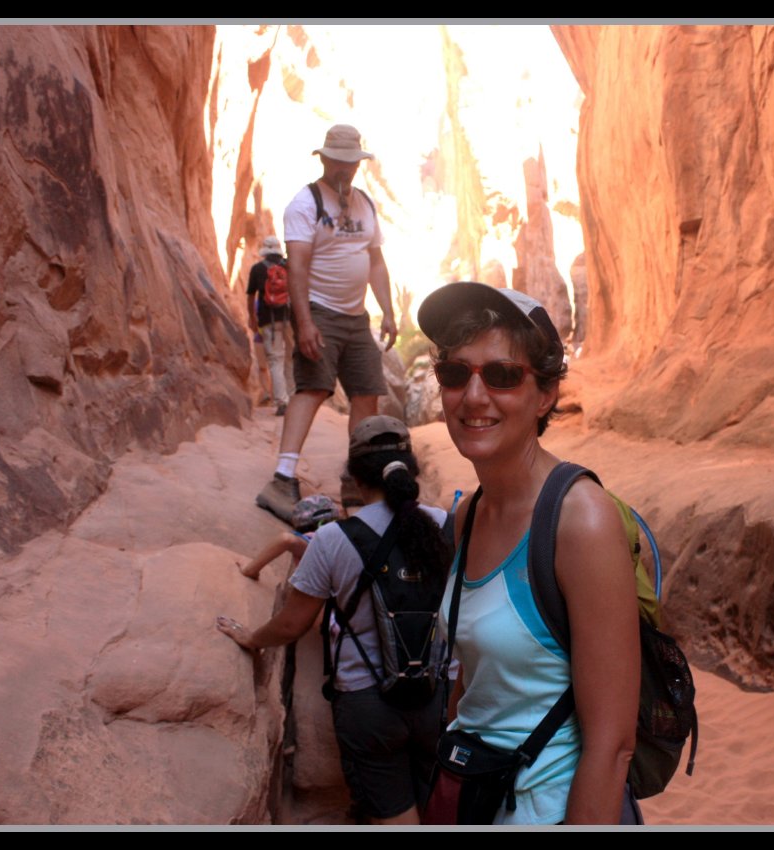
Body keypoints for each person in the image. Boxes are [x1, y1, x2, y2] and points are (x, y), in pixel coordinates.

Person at [417, 282, 641, 825]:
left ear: (545, 395)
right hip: (476, 795)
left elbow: (612, 746)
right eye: (455, 373)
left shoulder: (580, 520)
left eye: (501, 375)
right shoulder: (469, 516)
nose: (473, 396)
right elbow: (474, 676)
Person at [218, 416, 450, 825]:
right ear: (409, 469)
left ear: (355, 478)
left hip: (368, 703)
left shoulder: (333, 539)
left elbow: (291, 625)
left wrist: (251, 639)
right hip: (438, 694)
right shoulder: (444, 524)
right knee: (437, 807)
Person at [256, 124, 397, 522]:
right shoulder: (305, 204)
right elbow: (297, 267)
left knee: (367, 394)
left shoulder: (365, 204)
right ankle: (282, 479)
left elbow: (375, 261)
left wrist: (388, 311)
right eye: (338, 161)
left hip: (356, 317)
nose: (344, 169)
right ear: (324, 159)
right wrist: (304, 323)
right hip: (319, 311)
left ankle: (357, 477)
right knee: (313, 388)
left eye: (351, 163)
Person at [247, 236, 292, 415]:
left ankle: (282, 401)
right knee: (291, 357)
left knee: (275, 360)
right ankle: (293, 397)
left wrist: (252, 317)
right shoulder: (288, 266)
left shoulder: (257, 269)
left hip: (268, 321)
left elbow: (251, 296)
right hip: (290, 319)